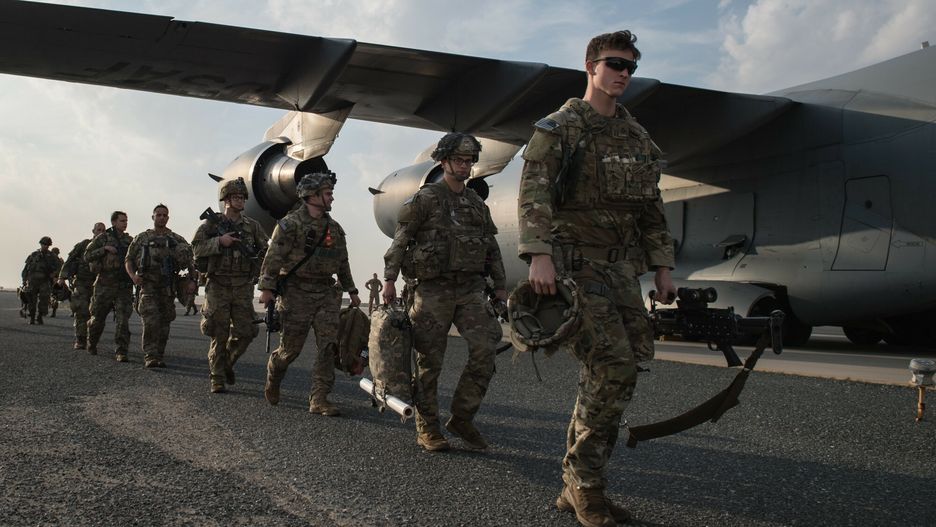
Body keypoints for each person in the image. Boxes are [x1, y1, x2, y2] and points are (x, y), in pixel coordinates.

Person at [517, 31, 677, 527]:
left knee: (616, 373)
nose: (623, 73)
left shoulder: (637, 137)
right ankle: (584, 485)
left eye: (630, 66)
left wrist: (663, 266)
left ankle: (582, 485)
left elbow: (651, 208)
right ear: (591, 66)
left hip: (622, 272)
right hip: (577, 268)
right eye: (614, 64)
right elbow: (534, 192)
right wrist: (538, 255)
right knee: (613, 369)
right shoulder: (562, 127)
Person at [382, 132, 507, 452]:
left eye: (469, 161)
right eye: (458, 160)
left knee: (486, 346)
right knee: (429, 361)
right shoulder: (424, 199)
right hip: (433, 290)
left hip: (470, 289)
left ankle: (462, 417)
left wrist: (500, 287)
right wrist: (389, 279)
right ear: (444, 162)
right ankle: (428, 427)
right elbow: (401, 240)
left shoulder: (476, 203)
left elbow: (491, 247)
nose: (464, 166)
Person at [258, 171, 361, 415]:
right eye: (328, 193)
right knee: (290, 350)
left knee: (328, 347)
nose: (332, 198)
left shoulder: (334, 228)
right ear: (312, 195)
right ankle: (274, 373)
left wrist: (352, 290)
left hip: (326, 294)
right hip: (296, 294)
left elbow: (342, 262)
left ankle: (319, 399)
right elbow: (274, 257)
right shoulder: (290, 225)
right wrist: (267, 288)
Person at [192, 177, 269, 393]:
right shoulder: (211, 224)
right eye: (235, 197)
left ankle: (227, 362)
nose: (240, 200)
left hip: (243, 286)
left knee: (247, 331)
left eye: (242, 197)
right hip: (218, 285)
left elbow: (267, 253)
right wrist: (219, 241)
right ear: (225, 200)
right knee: (219, 332)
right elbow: (196, 249)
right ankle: (217, 377)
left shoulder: (253, 226)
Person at [126, 204, 197, 368]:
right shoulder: (142, 238)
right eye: (158, 215)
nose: (162, 218)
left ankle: (159, 354)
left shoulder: (176, 239)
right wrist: (133, 276)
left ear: (168, 218)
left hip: (168, 286)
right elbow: (128, 259)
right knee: (150, 320)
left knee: (165, 322)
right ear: (153, 217)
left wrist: (193, 281)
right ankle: (150, 356)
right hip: (148, 285)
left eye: (165, 215)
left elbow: (191, 261)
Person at [84, 211, 134, 361]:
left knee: (123, 320)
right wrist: (104, 249)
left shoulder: (130, 240)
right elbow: (87, 256)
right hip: (104, 284)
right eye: (122, 221)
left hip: (123, 286)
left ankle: (121, 351)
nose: (125, 223)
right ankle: (92, 342)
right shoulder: (103, 238)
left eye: (126, 221)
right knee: (97, 318)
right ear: (113, 222)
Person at [58, 222, 106, 348]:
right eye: (98, 229)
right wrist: (62, 277)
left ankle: (92, 340)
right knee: (81, 310)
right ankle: (80, 339)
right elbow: (70, 259)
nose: (101, 232)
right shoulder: (84, 245)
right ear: (93, 231)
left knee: (96, 313)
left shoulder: (107, 247)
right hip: (82, 282)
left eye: (103, 230)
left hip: (100, 284)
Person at [21, 236, 61, 325]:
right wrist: (24, 280)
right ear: (41, 244)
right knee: (32, 300)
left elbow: (60, 267)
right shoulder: (33, 255)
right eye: (44, 244)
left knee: (44, 300)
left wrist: (54, 274)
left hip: (45, 281)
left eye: (47, 245)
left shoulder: (52, 256)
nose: (45, 246)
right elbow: (26, 269)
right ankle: (32, 317)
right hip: (32, 281)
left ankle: (39, 316)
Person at [48, 247, 64, 317]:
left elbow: (61, 270)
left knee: (54, 296)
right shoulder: (50, 260)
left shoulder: (58, 260)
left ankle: (53, 311)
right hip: (53, 279)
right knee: (54, 296)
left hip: (55, 279)